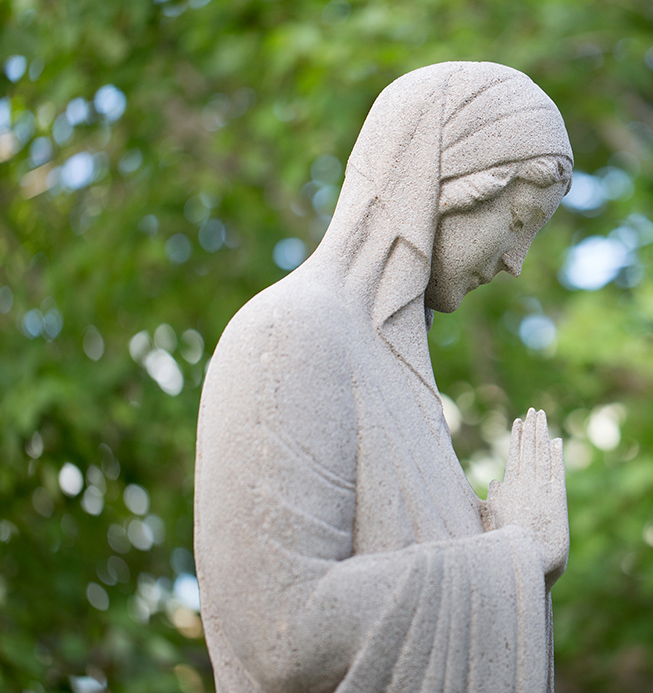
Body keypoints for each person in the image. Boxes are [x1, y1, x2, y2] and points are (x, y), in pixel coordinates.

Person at [194, 62, 573, 693]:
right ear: (448, 187)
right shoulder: (289, 334)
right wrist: (515, 558)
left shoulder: (407, 386)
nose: (516, 261)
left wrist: (497, 543)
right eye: (515, 222)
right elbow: (283, 630)